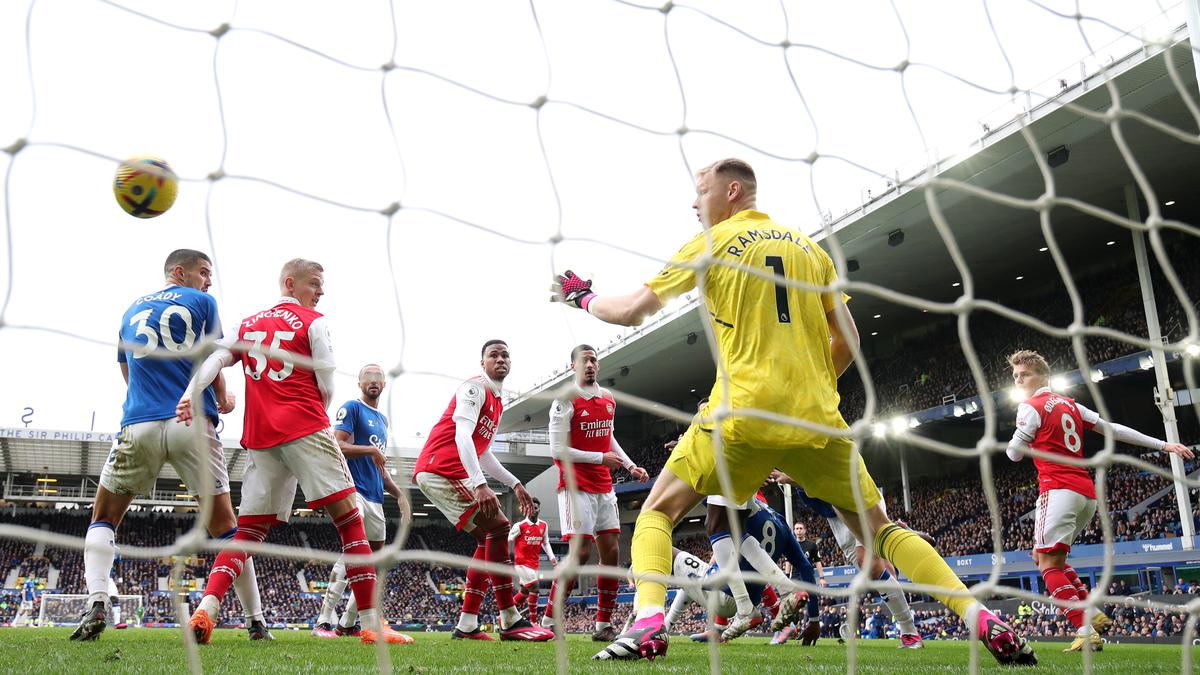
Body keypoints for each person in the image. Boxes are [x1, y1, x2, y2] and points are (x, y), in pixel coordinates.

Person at [554, 158, 1033, 664]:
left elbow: (632, 311)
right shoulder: (811, 250)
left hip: (739, 416)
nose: (694, 204)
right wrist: (810, 389)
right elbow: (847, 339)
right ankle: (983, 618)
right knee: (884, 531)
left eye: (700, 191)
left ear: (732, 191)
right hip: (816, 420)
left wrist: (581, 297)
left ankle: (649, 623)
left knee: (656, 513)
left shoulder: (711, 244)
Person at [177, 258, 409, 646]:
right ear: (290, 283)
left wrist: (189, 395)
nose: (321, 292)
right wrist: (313, 411)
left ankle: (209, 607)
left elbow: (216, 359)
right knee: (350, 520)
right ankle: (371, 624)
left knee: (248, 531)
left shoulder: (247, 323)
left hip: (262, 436)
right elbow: (327, 384)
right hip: (305, 426)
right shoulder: (314, 322)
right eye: (315, 284)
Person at [71, 249, 268, 642]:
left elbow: (125, 368)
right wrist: (225, 397)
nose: (208, 281)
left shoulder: (130, 310)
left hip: (139, 422)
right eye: (204, 272)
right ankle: (256, 622)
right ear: (181, 272)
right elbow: (213, 356)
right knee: (228, 530)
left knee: (104, 518)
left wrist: (148, 405)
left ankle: (96, 600)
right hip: (190, 421)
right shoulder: (202, 302)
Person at [1006, 349, 1194, 652]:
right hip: (1085, 494)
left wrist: (1017, 439)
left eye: (1023, 374)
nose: (1018, 379)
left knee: (1047, 566)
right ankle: (1093, 615)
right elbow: (1113, 430)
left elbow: (1014, 454)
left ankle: (1084, 627)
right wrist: (1162, 444)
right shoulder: (1070, 405)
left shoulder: (1030, 407)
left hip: (1056, 489)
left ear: (1042, 376)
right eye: (1015, 376)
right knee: (1047, 558)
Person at [412, 340, 554, 642]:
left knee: (486, 538)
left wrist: (515, 483)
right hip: (441, 469)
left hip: (449, 471)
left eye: (505, 355)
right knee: (500, 526)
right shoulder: (474, 389)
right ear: (483, 363)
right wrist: (479, 484)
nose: (500, 359)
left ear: (510, 363)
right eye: (493, 355)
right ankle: (510, 620)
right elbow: (462, 434)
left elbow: (484, 451)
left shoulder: (498, 402)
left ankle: (467, 624)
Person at [542, 344, 649, 642]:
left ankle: (603, 625)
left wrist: (630, 466)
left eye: (593, 360)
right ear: (572, 366)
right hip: (575, 486)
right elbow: (557, 449)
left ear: (598, 366)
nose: (589, 365)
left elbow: (608, 436)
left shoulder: (608, 399)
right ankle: (549, 620)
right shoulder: (565, 400)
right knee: (580, 553)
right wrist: (600, 459)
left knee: (612, 552)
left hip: (603, 486)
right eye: (584, 360)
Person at [313, 364, 413, 640]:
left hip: (376, 498)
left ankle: (347, 622)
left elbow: (380, 467)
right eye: (368, 377)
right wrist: (370, 449)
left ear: (384, 383)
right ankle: (323, 622)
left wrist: (399, 494)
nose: (373, 381)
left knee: (375, 563)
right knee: (352, 555)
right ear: (359, 383)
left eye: (378, 377)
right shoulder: (351, 408)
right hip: (352, 491)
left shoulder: (382, 420)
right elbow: (337, 444)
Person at [779, 476, 923, 649]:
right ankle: (897, 535)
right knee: (883, 573)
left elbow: (818, 479)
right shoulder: (792, 462)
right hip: (836, 517)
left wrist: (790, 479)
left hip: (857, 498)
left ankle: (910, 633)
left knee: (869, 566)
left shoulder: (807, 457)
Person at [509, 497, 557, 623]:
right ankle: (534, 622)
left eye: (535, 508)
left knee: (524, 591)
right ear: (526, 509)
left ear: (539, 509)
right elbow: (507, 540)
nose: (533, 510)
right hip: (521, 564)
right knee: (535, 588)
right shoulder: (519, 526)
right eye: (531, 508)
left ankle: (504, 615)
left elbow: (545, 543)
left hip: (534, 564)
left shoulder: (543, 525)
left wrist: (552, 557)